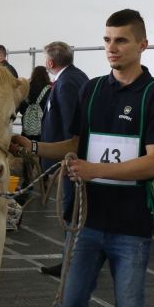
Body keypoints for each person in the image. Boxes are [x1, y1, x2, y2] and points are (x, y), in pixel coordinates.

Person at [10, 9, 154, 307]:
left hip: (132, 228)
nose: (111, 49)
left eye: (120, 41)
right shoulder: (93, 90)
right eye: (106, 40)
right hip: (88, 223)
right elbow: (73, 146)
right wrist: (30, 145)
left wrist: (94, 169)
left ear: (142, 44)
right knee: (70, 304)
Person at [39, 41, 88, 277]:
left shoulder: (67, 83)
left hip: (68, 159)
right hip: (66, 156)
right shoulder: (73, 77)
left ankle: (72, 263)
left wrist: (68, 158)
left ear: (50, 62)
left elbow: (72, 126)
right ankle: (72, 261)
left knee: (71, 211)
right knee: (73, 211)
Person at [16, 65, 51, 202]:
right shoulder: (49, 90)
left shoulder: (27, 90)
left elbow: (21, 108)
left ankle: (27, 183)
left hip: (27, 129)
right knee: (43, 155)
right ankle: (45, 182)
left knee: (27, 156)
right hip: (43, 128)